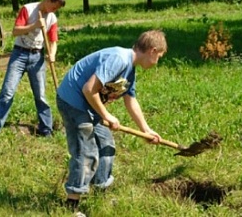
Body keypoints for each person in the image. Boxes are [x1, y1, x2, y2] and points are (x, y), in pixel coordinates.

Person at [56, 30, 167, 212]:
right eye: (160, 56)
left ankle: (100, 191)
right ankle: (71, 204)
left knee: (106, 145)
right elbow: (88, 89)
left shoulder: (130, 69)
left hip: (90, 106)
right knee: (86, 152)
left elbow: (130, 100)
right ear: (153, 50)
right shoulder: (119, 58)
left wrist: (146, 130)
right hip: (73, 102)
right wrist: (107, 115)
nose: (158, 61)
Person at [0, 0, 66, 137]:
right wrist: (34, 25)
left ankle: (46, 129)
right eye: (54, 7)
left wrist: (52, 54)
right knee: (7, 92)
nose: (54, 11)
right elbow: (15, 31)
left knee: (41, 95)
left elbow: (53, 41)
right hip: (19, 55)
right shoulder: (28, 9)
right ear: (48, 0)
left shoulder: (52, 18)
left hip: (37, 57)